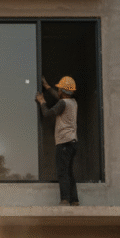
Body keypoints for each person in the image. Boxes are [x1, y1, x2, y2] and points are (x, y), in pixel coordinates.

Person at [36, 76, 79, 206]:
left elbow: (48, 113)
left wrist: (42, 101)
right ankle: (75, 200)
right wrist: (47, 86)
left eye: (59, 89)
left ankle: (65, 200)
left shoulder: (62, 103)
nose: (58, 91)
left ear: (63, 91)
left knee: (62, 172)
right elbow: (59, 98)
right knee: (69, 172)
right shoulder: (73, 102)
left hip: (64, 142)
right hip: (73, 142)